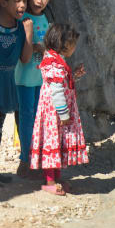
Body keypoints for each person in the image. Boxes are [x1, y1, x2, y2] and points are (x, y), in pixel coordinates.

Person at [30, 23, 88, 195]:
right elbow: (56, 92)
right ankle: (49, 181)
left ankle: (56, 177)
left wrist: (74, 75)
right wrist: (63, 113)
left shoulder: (56, 61)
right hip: (53, 115)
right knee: (52, 143)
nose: (74, 48)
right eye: (73, 45)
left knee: (56, 143)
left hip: (55, 114)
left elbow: (61, 84)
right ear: (64, 45)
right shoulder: (54, 64)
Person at [0, 0, 33, 184]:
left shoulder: (20, 27)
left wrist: (29, 33)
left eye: (25, 1)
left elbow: (25, 58)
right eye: (18, 1)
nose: (22, 5)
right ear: (3, 2)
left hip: (6, 82)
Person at [14, 0, 52, 179]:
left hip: (39, 78)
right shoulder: (23, 17)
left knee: (37, 119)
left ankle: (35, 159)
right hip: (23, 78)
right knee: (27, 118)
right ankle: (25, 161)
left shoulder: (45, 19)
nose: (39, 0)